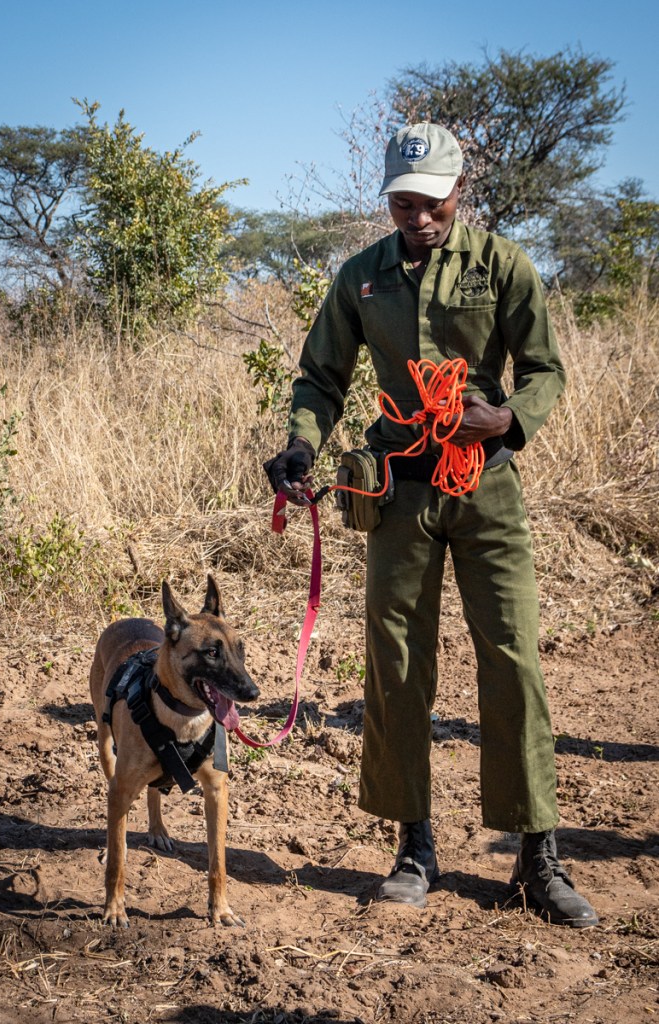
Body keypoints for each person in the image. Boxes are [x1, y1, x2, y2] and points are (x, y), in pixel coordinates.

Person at [264, 123, 598, 928]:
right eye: (401, 203)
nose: (415, 217)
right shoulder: (361, 278)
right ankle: (413, 846)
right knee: (396, 663)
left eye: (430, 202)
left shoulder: (503, 265)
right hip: (396, 494)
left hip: (485, 485)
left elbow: (545, 368)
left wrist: (508, 417)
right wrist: (301, 445)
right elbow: (320, 376)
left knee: (513, 659)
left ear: (459, 190)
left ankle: (536, 856)